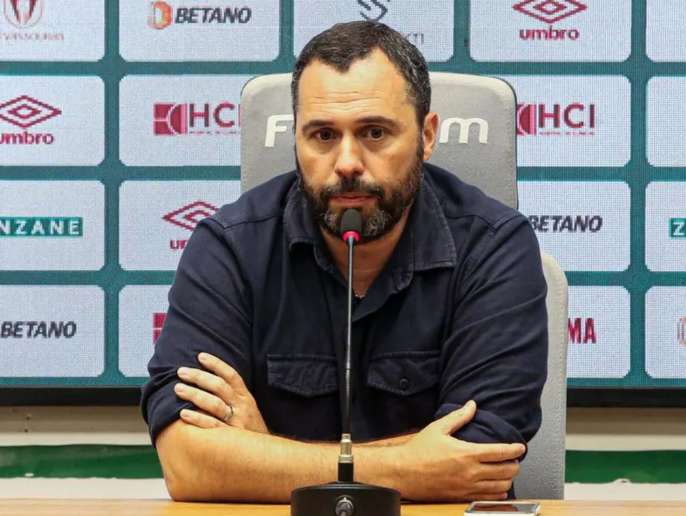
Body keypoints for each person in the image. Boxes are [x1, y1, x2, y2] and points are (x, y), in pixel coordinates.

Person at [141, 20, 548, 503]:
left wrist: (260, 453)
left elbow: (480, 458)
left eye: (375, 133)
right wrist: (409, 467)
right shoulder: (228, 248)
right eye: (323, 135)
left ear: (427, 135)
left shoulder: (495, 247)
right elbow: (187, 463)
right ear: (296, 139)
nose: (348, 162)